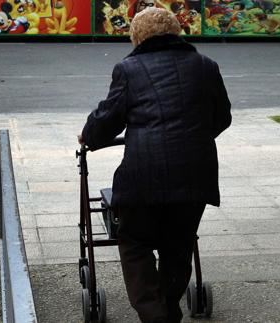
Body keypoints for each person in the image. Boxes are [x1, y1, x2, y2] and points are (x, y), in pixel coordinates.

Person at [79, 7, 231, 323]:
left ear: (136, 37)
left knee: (134, 244)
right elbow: (222, 117)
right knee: (178, 247)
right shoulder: (206, 66)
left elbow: (107, 120)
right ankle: (168, 310)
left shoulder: (128, 69)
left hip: (142, 178)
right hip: (194, 176)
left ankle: (155, 315)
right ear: (177, 32)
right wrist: (193, 137)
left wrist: (88, 136)